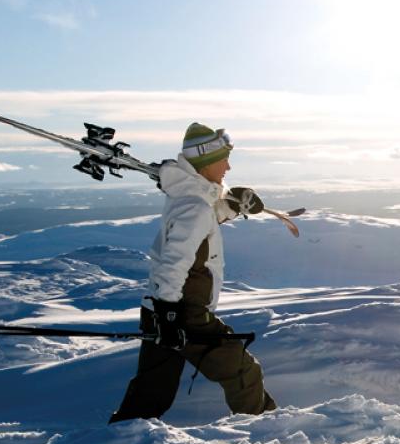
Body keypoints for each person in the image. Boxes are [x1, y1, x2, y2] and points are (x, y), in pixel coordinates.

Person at [110, 122, 277, 423]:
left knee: (151, 395)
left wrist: (233, 205)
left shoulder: (189, 198)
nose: (228, 166)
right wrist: (172, 314)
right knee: (243, 372)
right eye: (223, 158)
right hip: (184, 313)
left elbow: (202, 219)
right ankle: (267, 431)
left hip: (160, 309)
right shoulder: (194, 207)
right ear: (205, 161)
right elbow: (174, 261)